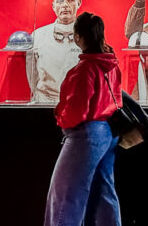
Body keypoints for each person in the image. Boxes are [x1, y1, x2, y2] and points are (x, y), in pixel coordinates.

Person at [44, 12, 123, 226]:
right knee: (104, 193)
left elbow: (76, 112)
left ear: (78, 37)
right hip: (108, 131)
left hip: (85, 135)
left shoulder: (84, 69)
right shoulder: (111, 64)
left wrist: (60, 116)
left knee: (64, 196)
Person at [29, 0, 83, 104]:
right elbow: (32, 76)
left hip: (78, 104)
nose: (65, 5)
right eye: (60, 1)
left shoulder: (89, 36)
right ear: (53, 6)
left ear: (78, 3)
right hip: (44, 103)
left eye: (70, 0)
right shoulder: (38, 36)